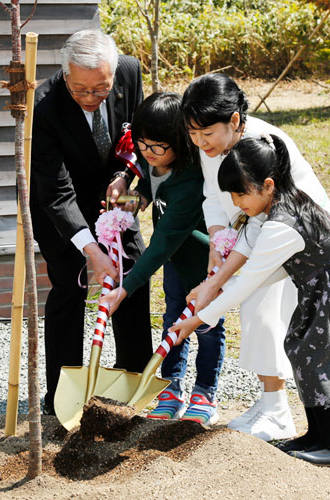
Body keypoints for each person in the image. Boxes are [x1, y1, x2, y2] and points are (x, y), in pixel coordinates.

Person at [169, 136, 330, 466]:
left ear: (268, 185)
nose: (235, 201)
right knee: (302, 346)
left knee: (314, 350)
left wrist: (195, 320)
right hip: (325, 281)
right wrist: (210, 287)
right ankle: (315, 436)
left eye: (240, 193)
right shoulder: (272, 209)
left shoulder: (282, 225)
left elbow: (249, 281)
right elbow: (247, 248)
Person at [180, 73, 330, 441]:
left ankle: (278, 409)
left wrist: (213, 285)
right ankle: (269, 402)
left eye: (207, 134)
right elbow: (212, 195)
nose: (201, 143)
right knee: (255, 308)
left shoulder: (260, 147)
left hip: (295, 236)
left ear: (234, 121)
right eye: (193, 135)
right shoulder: (213, 146)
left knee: (258, 305)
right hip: (256, 233)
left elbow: (259, 225)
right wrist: (217, 239)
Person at [30, 29, 153, 416]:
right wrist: (90, 248)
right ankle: (61, 395)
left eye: (100, 89)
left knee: (133, 271)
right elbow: (54, 190)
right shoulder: (44, 105)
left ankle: (134, 381)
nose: (90, 98)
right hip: (60, 204)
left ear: (114, 76)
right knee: (70, 284)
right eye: (80, 89)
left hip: (113, 195)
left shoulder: (130, 73)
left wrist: (126, 178)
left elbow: (140, 136)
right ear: (65, 75)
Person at [102, 92, 226, 426]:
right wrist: (125, 201)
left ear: (180, 142)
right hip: (174, 262)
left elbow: (161, 243)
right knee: (173, 320)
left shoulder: (190, 180)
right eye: (142, 144)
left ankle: (205, 392)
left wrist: (124, 289)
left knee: (207, 326)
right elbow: (148, 191)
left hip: (203, 263)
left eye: (158, 147)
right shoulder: (149, 160)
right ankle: (171, 389)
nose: (148, 153)